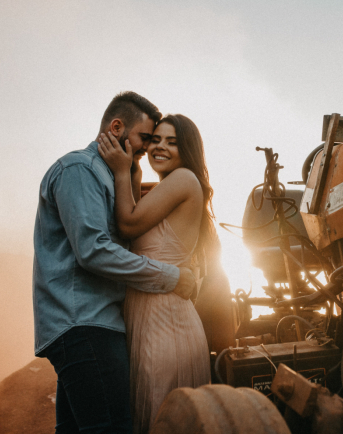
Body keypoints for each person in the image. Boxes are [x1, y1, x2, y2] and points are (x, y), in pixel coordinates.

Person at [32, 92, 197, 434]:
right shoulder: (80, 169)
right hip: (85, 322)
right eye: (145, 139)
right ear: (117, 126)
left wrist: (130, 176)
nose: (145, 149)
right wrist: (171, 276)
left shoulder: (106, 176)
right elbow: (94, 250)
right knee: (112, 427)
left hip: (89, 323)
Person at [97, 113, 214, 434]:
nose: (160, 147)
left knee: (159, 414)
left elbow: (128, 223)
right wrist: (133, 168)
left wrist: (121, 170)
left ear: (187, 149)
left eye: (172, 142)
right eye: (155, 140)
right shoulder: (167, 186)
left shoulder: (183, 179)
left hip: (165, 320)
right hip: (151, 313)